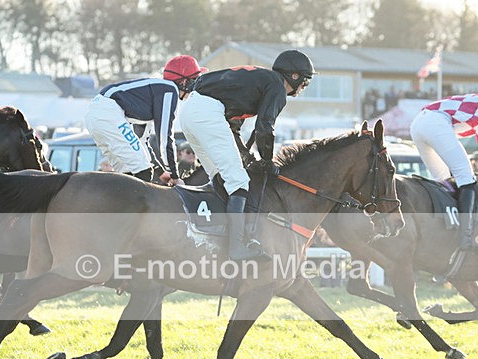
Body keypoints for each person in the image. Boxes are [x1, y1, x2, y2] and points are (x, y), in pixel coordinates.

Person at [179, 49, 316, 261]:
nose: (304, 87)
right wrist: (267, 160)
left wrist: (249, 158)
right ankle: (237, 247)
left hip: (189, 113)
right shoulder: (277, 88)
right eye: (305, 81)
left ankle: (223, 233)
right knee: (238, 181)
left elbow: (233, 130)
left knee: (221, 177)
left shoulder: (256, 83)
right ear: (294, 76)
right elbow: (265, 128)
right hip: (206, 113)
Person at [410, 77, 478, 257]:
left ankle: (440, 240)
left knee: (444, 182)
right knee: (466, 179)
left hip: (417, 125)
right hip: (435, 123)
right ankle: (465, 239)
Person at [84, 55, 204, 184]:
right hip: (108, 113)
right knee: (143, 171)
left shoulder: (154, 93)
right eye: (195, 80)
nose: (195, 87)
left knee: (128, 173)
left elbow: (142, 141)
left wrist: (160, 171)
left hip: (95, 114)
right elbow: (164, 138)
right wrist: (174, 176)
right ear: (184, 82)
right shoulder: (170, 90)